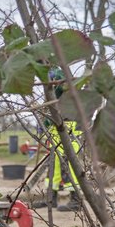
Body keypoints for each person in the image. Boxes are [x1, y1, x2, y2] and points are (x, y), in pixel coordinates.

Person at [33, 69, 83, 212]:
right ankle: (51, 199)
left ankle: (76, 200)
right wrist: (44, 124)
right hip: (56, 127)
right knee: (53, 166)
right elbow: (50, 106)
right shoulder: (49, 83)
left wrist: (55, 79)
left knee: (71, 164)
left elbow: (66, 85)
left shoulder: (59, 74)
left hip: (69, 126)